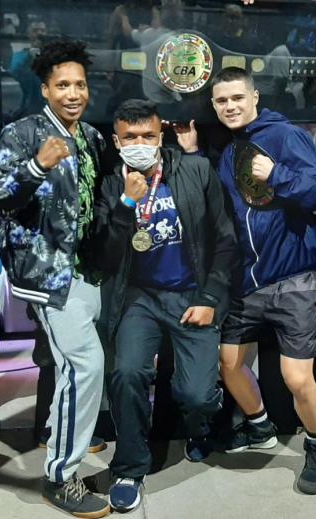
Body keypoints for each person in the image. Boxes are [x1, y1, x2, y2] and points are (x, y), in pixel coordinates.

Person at [0, 40, 109, 518]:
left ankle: (60, 442)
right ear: (45, 90)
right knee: (85, 365)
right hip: (47, 274)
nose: (73, 93)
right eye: (63, 85)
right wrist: (38, 167)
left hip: (86, 270)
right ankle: (61, 476)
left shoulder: (92, 137)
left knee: (71, 368)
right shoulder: (24, 133)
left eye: (79, 84)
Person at [93, 99, 236, 512]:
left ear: (161, 136)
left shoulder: (194, 170)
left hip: (191, 294)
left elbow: (226, 241)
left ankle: (198, 425)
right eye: (130, 137)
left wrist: (209, 298)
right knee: (126, 373)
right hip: (138, 296)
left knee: (196, 394)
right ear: (116, 140)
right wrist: (125, 204)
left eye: (148, 136)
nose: (139, 144)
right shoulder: (109, 183)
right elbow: (104, 255)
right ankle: (129, 466)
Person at [205, 67, 316, 495]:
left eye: (237, 98)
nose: (230, 106)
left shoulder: (285, 136)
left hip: (295, 276)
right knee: (228, 364)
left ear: (255, 97)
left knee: (298, 379)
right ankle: (260, 426)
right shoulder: (228, 152)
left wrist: (277, 174)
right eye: (222, 101)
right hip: (245, 281)